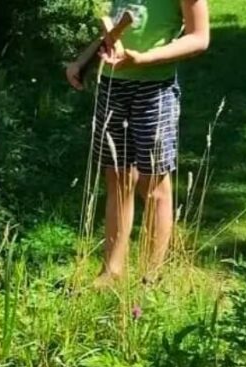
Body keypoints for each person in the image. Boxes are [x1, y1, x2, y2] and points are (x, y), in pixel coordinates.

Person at [65, 0, 210, 284]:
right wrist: (83, 60)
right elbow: (115, 30)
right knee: (117, 178)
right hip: (112, 85)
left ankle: (150, 278)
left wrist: (145, 59)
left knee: (154, 184)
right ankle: (111, 271)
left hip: (155, 89)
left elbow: (199, 38)